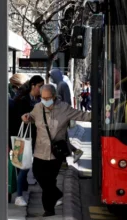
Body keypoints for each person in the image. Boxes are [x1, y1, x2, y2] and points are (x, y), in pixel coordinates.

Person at [21, 84, 91, 217]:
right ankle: (57, 194)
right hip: (40, 151)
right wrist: (25, 118)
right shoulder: (38, 107)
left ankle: (49, 209)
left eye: (48, 97)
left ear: (54, 96)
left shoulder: (64, 108)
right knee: (38, 175)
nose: (45, 100)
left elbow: (82, 115)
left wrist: (102, 115)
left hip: (56, 153)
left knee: (50, 180)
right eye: (43, 97)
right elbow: (31, 117)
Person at [11, 75, 45, 207]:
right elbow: (20, 118)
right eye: (39, 86)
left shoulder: (41, 100)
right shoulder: (22, 100)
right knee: (23, 167)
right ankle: (19, 196)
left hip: (38, 138)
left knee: (39, 167)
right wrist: (27, 117)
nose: (41, 89)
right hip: (23, 138)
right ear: (33, 86)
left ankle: (49, 194)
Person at [50, 68, 84, 162]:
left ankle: (69, 156)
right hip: (59, 116)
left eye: (52, 76)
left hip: (62, 116)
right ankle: (70, 156)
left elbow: (67, 101)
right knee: (63, 139)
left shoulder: (62, 85)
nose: (51, 79)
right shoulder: (59, 85)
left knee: (61, 139)